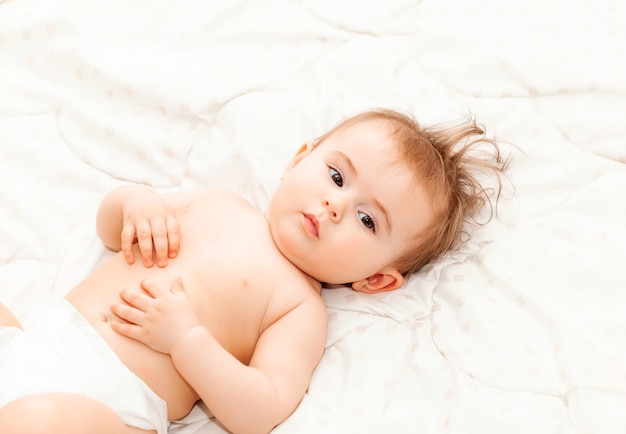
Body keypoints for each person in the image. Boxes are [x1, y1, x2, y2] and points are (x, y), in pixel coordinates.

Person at [0, 108, 507, 434]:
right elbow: (110, 231)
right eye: (336, 176)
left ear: (377, 279)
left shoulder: (298, 308)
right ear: (298, 159)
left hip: (106, 405)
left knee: (35, 421)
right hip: (35, 344)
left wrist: (187, 340)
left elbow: (261, 410)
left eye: (368, 219)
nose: (334, 205)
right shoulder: (222, 203)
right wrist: (135, 204)